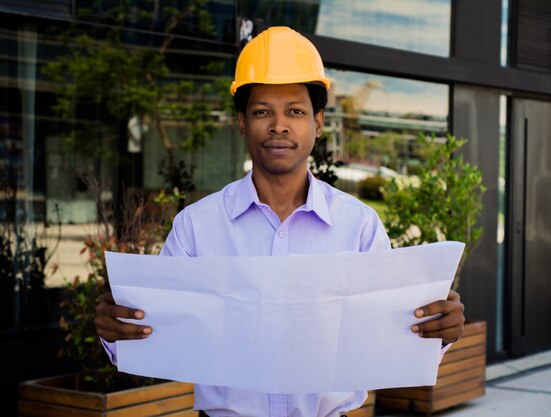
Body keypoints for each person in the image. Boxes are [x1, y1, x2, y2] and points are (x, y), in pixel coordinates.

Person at [95, 26, 465, 417]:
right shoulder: (196, 227)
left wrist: (438, 332)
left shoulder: (359, 225)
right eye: (261, 111)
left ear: (318, 122)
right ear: (241, 122)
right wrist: (116, 332)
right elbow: (155, 331)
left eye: (295, 111)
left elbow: (390, 331)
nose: (279, 125)